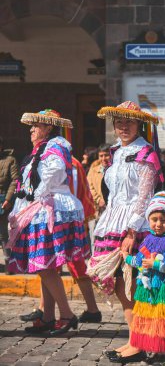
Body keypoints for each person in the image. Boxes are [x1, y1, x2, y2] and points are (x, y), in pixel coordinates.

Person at [89, 101, 163, 357]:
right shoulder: (115, 152)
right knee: (122, 286)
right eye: (119, 122)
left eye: (129, 122)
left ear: (139, 124)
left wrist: (131, 232)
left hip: (134, 226)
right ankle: (136, 340)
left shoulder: (146, 153)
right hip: (113, 221)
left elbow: (144, 196)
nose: (123, 127)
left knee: (134, 286)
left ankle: (140, 342)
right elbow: (114, 194)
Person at [7, 109, 90, 335]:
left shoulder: (55, 148)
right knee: (47, 265)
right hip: (43, 208)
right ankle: (48, 317)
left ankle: (66, 314)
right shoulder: (39, 152)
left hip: (49, 209)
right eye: (31, 126)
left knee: (44, 265)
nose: (31, 130)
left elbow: (50, 178)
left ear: (48, 128)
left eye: (36, 126)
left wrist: (32, 202)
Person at [19, 155, 102, 326]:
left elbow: (75, 190)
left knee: (68, 265)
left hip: (62, 218)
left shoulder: (69, 163)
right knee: (48, 266)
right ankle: (46, 311)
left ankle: (90, 309)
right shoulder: (52, 159)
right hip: (56, 217)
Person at [115, 192, 165, 364]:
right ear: (148, 220)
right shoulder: (148, 239)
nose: (158, 224)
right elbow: (140, 261)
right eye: (154, 219)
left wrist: (155, 265)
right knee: (152, 321)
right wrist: (127, 258)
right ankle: (157, 351)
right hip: (149, 290)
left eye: (164, 220)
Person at [0, 136, 19, 274]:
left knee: (3, 234)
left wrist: (8, 199)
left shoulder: (10, 160)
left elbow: (15, 180)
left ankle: (9, 265)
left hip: (3, 201)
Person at [87, 143, 110, 251]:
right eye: (101, 156)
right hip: (96, 209)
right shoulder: (94, 170)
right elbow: (89, 186)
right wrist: (98, 199)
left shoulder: (115, 169)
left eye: (106, 155)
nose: (103, 158)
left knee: (109, 237)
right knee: (94, 236)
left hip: (111, 208)